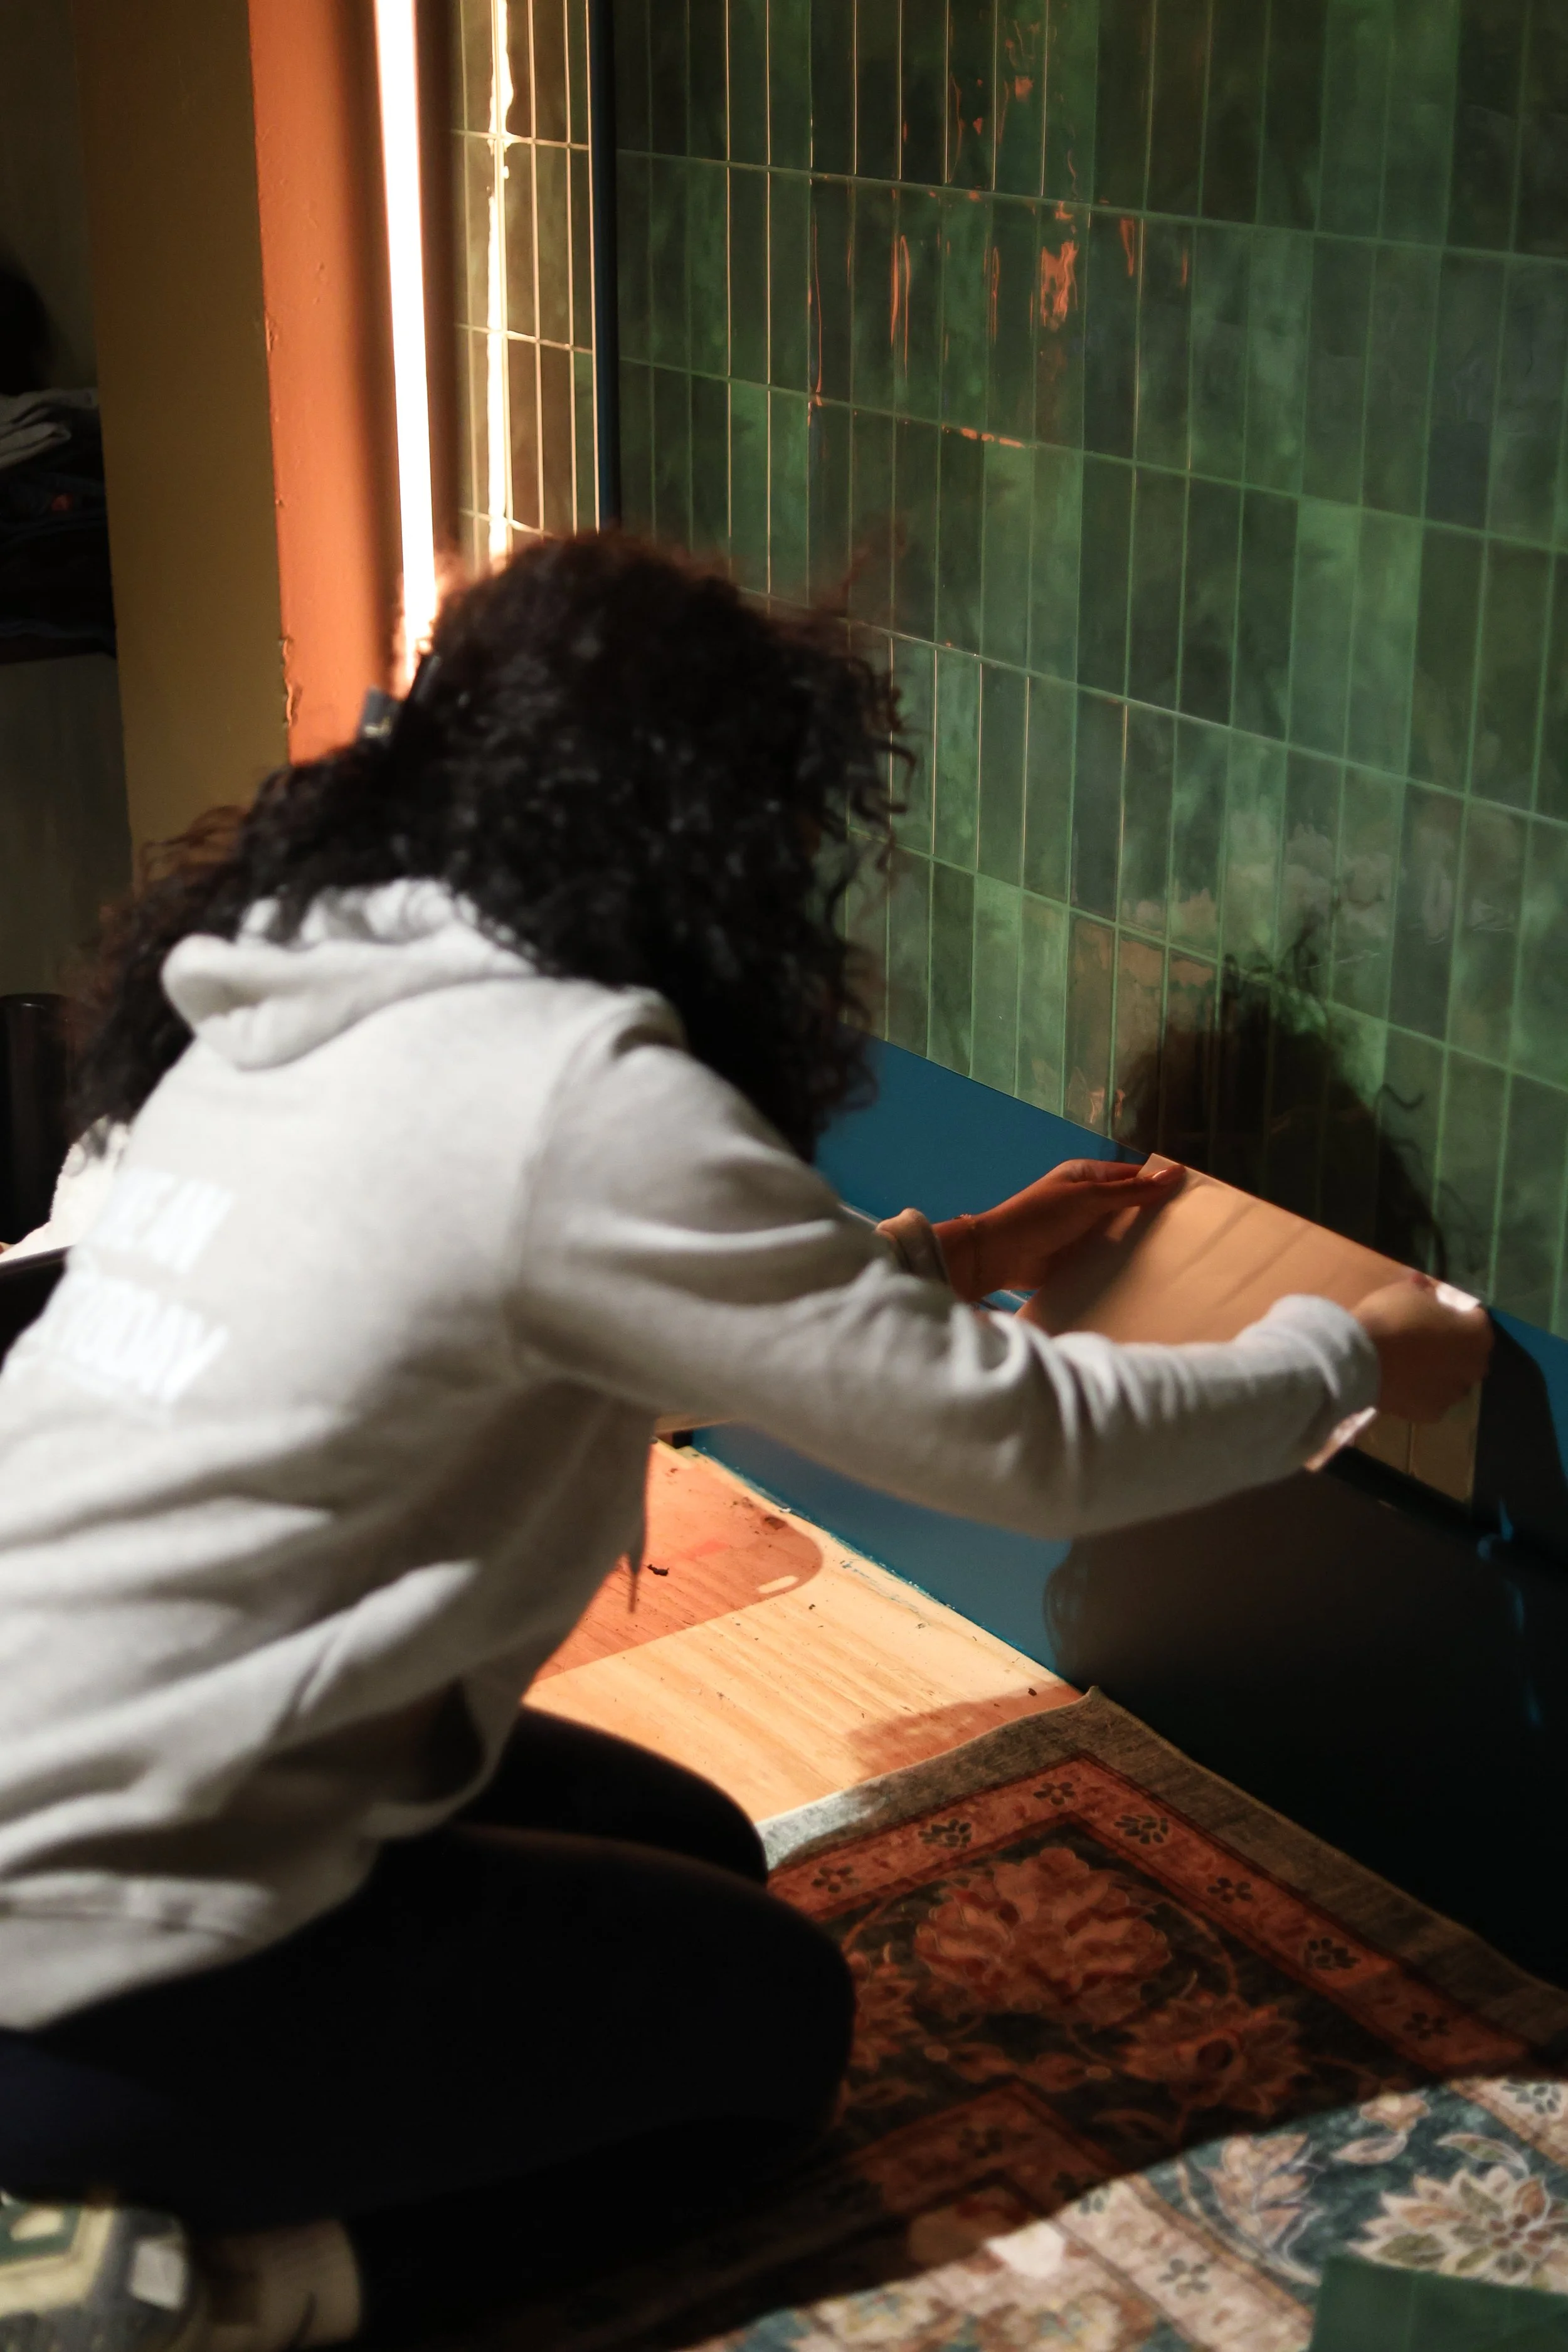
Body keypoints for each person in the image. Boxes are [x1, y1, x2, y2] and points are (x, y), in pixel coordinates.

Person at [0, 535, 1489, 2352]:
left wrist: (950, 1258)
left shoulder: (309, 998)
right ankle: (208, 2292)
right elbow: (1031, 1448)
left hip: (78, 1779)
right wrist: (1350, 1349)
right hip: (84, 1968)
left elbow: (562, 1301)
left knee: (699, 1847)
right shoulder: (567, 1091)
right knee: (774, 2042)